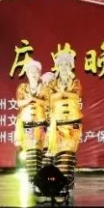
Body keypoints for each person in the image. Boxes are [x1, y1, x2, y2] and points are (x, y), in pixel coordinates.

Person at [46, 50, 83, 184]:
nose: (64, 67)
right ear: (58, 66)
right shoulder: (52, 83)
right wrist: (64, 94)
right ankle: (60, 183)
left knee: (69, 153)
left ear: (71, 66)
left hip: (73, 123)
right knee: (59, 154)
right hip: (58, 124)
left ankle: (68, 182)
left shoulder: (76, 82)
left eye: (67, 64)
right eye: (61, 64)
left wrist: (60, 94)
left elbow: (77, 96)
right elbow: (49, 98)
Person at [14, 60, 50, 181]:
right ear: (27, 74)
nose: (33, 74)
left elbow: (48, 103)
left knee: (42, 151)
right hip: (28, 124)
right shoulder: (23, 87)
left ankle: (42, 179)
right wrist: (30, 100)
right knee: (30, 152)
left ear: (39, 74)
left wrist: (34, 99)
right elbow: (19, 103)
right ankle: (32, 179)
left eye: (36, 72)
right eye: (31, 71)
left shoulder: (45, 87)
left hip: (42, 123)